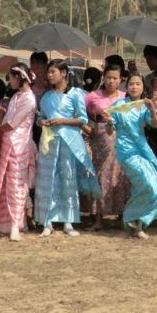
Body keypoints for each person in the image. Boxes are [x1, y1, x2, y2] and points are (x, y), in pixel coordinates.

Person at [35, 59, 100, 237]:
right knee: (47, 179)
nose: (49, 75)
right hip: (49, 142)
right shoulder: (46, 97)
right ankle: (47, 221)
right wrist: (42, 122)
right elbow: (39, 117)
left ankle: (68, 221)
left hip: (69, 141)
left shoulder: (75, 94)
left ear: (63, 73)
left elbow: (82, 120)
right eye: (48, 72)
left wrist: (62, 121)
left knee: (68, 178)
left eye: (52, 72)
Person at [105, 72, 157, 239]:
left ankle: (139, 224)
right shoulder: (119, 105)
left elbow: (154, 124)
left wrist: (152, 109)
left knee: (151, 186)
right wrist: (108, 122)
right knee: (148, 183)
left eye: (138, 84)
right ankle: (130, 216)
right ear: (127, 87)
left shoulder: (144, 105)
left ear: (143, 88)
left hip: (142, 150)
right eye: (131, 84)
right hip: (126, 152)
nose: (134, 87)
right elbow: (110, 129)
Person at [0, 63, 38, 241]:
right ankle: (7, 222)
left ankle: (16, 223)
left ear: (19, 77)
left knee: (17, 185)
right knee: (5, 184)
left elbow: (13, 123)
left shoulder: (29, 99)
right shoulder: (16, 97)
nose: (10, 81)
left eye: (12, 77)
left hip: (20, 146)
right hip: (8, 144)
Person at [84, 64, 128, 229]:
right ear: (104, 78)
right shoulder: (93, 96)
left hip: (121, 139)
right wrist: (93, 122)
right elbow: (84, 113)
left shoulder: (125, 96)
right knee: (101, 175)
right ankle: (98, 220)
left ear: (120, 80)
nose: (111, 81)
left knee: (121, 175)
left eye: (115, 78)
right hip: (101, 138)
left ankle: (122, 215)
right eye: (108, 77)